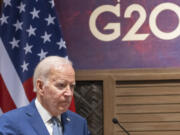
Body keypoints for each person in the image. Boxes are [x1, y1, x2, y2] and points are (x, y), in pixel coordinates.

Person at [0, 56, 90, 135]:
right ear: (41, 86)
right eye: (61, 85)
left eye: (71, 86)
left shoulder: (79, 124)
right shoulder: (10, 122)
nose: (69, 93)